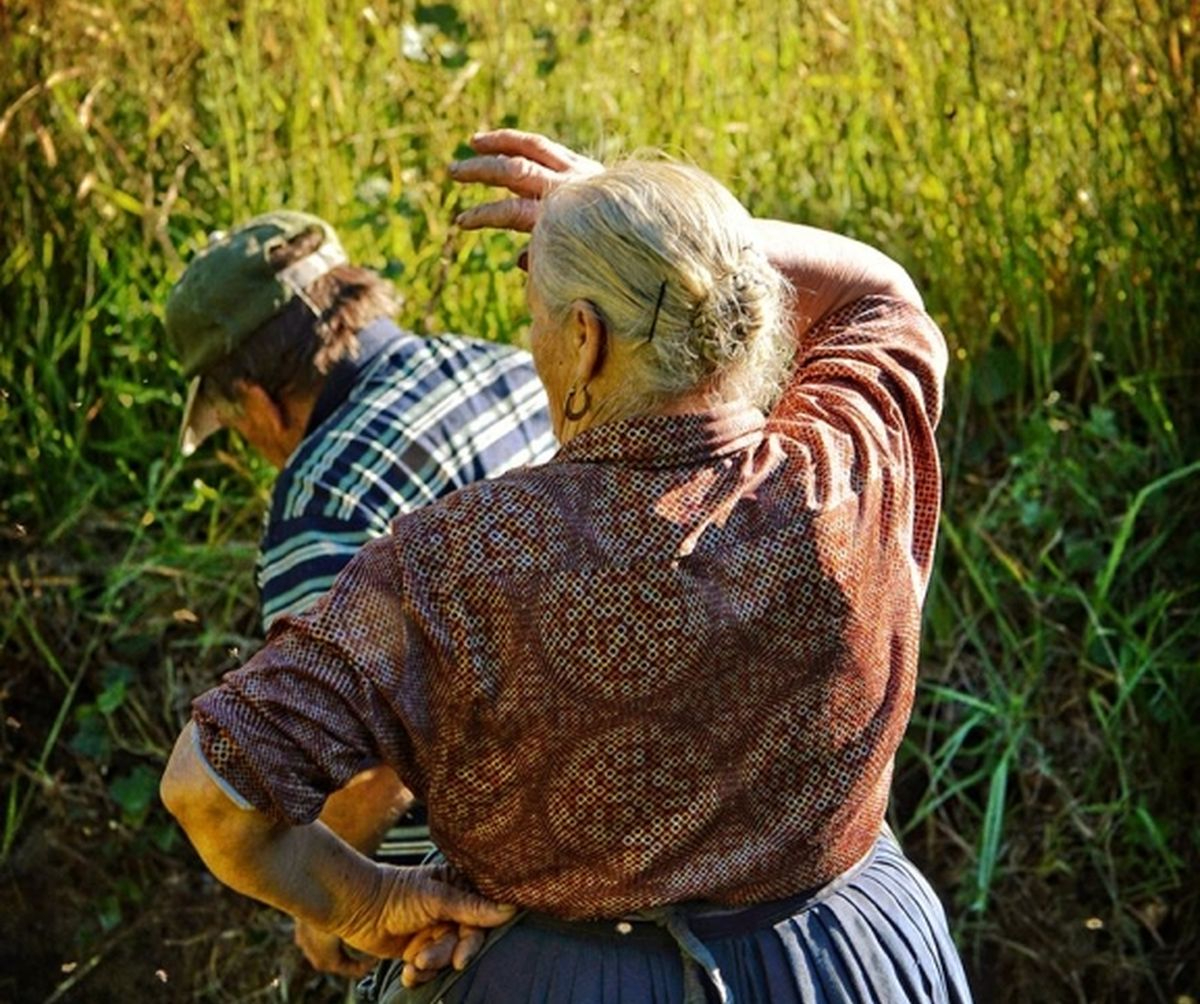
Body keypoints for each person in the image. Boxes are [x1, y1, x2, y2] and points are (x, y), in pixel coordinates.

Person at [161, 130, 973, 1003]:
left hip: (559, 979)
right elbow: (883, 291)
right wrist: (671, 235)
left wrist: (368, 903)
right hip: (846, 958)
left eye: (538, 315)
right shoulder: (847, 469)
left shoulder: (447, 562)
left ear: (584, 339)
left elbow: (206, 790)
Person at [162, 209, 556, 976]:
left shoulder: (325, 502)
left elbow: (363, 763)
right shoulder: (503, 365)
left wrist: (341, 898)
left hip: (475, 913)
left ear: (257, 400)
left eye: (236, 423)